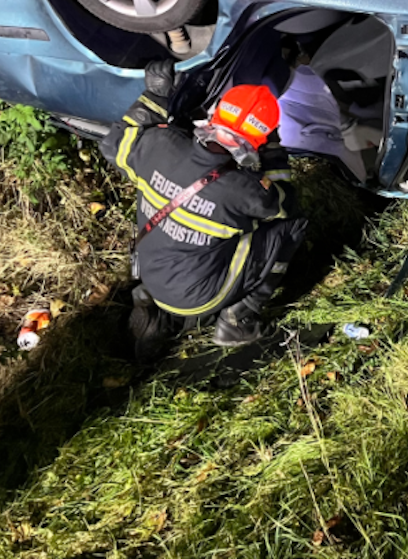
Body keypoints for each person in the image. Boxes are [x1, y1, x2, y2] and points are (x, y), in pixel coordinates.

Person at [100, 61, 306, 360]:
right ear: (257, 140)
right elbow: (285, 206)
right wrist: (274, 154)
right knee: (292, 229)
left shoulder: (161, 145)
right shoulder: (242, 189)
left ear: (215, 115)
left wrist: (156, 95)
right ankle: (238, 321)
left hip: (150, 276)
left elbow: (113, 144)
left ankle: (158, 309)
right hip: (197, 297)